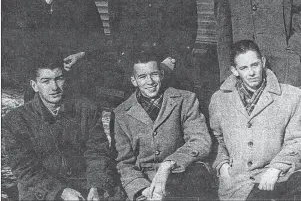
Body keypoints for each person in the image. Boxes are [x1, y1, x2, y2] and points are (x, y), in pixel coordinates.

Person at [2, 52, 125, 201]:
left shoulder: (86, 109)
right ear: (34, 85)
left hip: (86, 184)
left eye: (59, 79)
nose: (54, 87)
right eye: (46, 81)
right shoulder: (15, 120)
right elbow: (25, 169)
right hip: (43, 190)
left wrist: (96, 185)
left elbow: (98, 151)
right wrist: (61, 191)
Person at [112, 51, 214, 201]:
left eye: (154, 74)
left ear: (162, 74)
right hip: (145, 184)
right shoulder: (121, 113)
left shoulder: (185, 100)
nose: (150, 81)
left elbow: (200, 141)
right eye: (142, 77)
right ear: (133, 81)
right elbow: (124, 163)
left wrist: (169, 164)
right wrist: (143, 190)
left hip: (183, 178)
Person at [209, 39, 301, 201]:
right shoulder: (220, 99)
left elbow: (297, 141)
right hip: (237, 183)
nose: (251, 73)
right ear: (234, 70)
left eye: (255, 65)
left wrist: (276, 168)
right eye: (244, 68)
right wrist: (223, 166)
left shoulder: (291, 96)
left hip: (278, 180)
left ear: (263, 62)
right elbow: (217, 140)